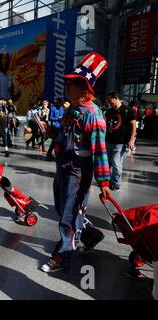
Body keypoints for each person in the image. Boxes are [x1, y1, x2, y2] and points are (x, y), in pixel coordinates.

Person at [41, 52, 111, 273]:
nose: (66, 88)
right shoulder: (71, 110)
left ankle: (62, 257)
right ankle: (91, 235)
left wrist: (104, 182)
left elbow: (100, 150)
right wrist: (53, 132)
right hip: (62, 168)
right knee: (65, 210)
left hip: (79, 173)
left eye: (71, 85)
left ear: (84, 90)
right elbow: (64, 135)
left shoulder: (94, 115)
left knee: (68, 217)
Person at [105, 91, 137, 191]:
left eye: (110, 100)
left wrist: (131, 140)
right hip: (108, 141)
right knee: (108, 163)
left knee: (116, 163)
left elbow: (133, 126)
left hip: (120, 142)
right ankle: (108, 180)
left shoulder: (128, 110)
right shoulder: (109, 111)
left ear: (116, 98)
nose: (108, 102)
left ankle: (116, 182)